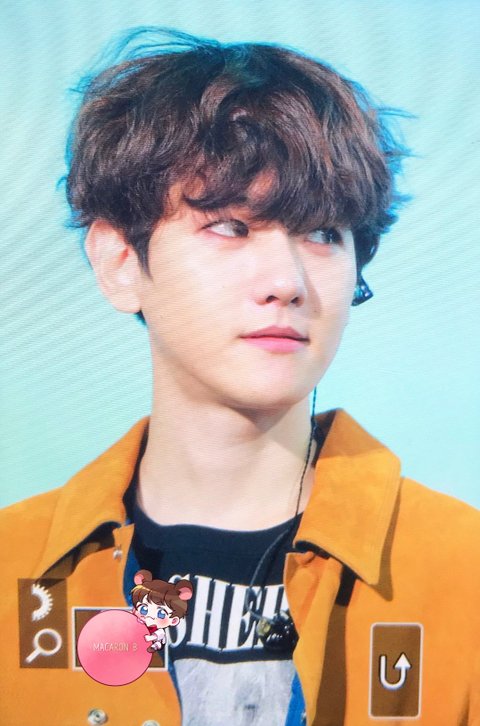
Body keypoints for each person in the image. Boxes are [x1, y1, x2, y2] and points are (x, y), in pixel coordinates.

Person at [1, 27, 478, 726]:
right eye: (229, 226)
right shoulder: (13, 565)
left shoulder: (462, 570)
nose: (286, 281)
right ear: (120, 261)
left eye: (324, 233)